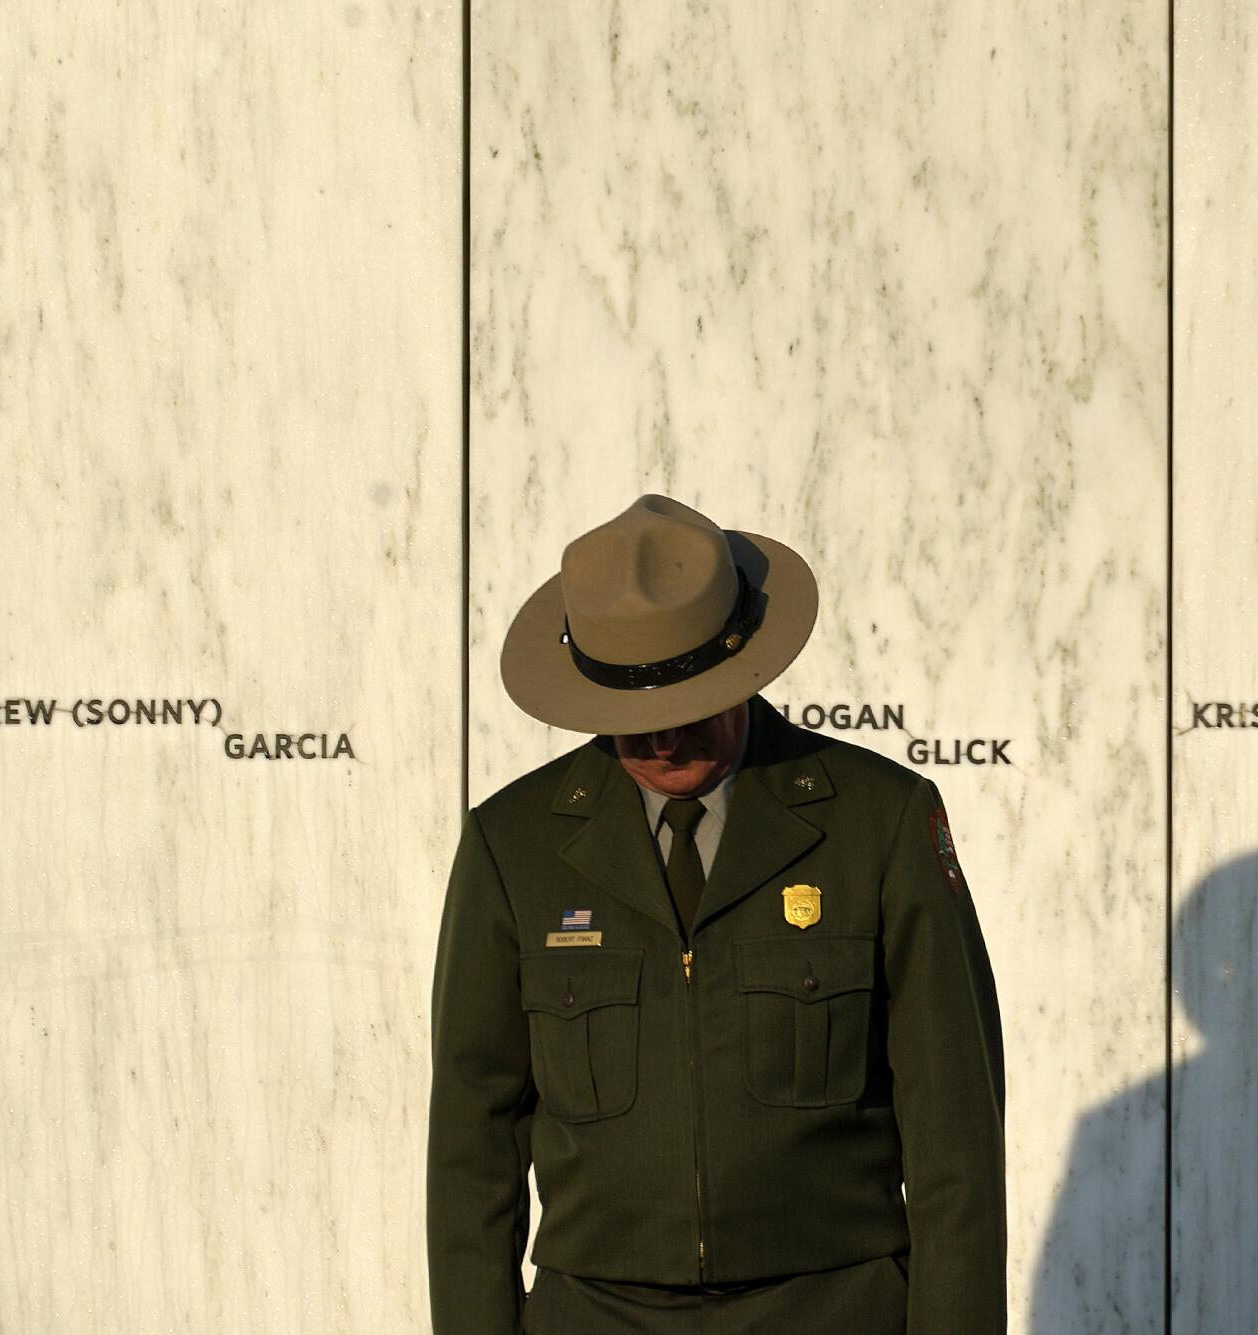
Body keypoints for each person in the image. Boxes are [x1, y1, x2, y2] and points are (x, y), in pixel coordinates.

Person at [427, 494, 1006, 1334]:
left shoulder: (877, 822)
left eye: (685, 710)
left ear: (744, 667)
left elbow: (955, 1137)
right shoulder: (510, 847)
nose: (662, 744)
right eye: (632, 720)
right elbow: (471, 1147)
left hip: (835, 1308)